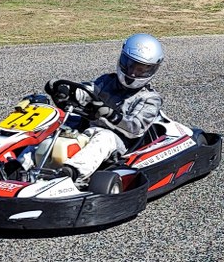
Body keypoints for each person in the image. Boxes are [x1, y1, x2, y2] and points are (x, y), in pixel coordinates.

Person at [56, 33, 166, 187]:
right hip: (89, 128)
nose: (132, 72)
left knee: (103, 136)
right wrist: (67, 91)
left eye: (140, 69)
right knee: (55, 125)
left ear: (151, 70)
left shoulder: (150, 98)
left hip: (120, 142)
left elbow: (136, 128)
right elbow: (87, 90)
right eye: (129, 65)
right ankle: (20, 166)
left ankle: (71, 173)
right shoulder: (107, 81)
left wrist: (112, 115)